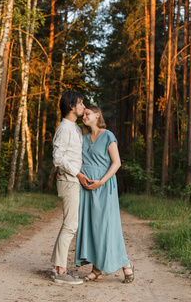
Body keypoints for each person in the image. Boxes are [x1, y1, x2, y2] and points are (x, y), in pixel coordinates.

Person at [74, 105, 135, 283]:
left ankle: (125, 264)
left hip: (104, 186)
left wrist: (101, 181)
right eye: (83, 114)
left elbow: (116, 163)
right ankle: (97, 269)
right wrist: (78, 175)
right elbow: (76, 160)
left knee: (108, 226)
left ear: (97, 115)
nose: (84, 117)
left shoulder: (108, 135)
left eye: (87, 114)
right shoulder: (83, 138)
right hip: (86, 187)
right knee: (92, 227)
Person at [50, 91, 90, 285]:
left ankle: (57, 266)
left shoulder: (74, 127)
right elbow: (57, 157)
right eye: (81, 103)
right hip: (70, 181)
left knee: (69, 224)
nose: (84, 106)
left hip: (71, 179)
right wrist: (78, 173)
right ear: (71, 106)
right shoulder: (65, 127)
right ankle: (61, 272)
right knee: (70, 225)